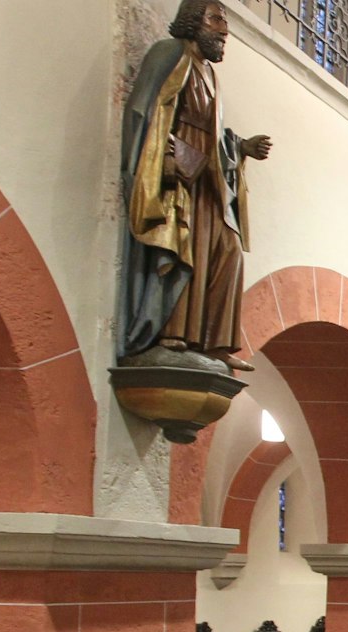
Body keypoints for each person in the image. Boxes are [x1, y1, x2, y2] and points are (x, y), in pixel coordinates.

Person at [119, 0, 272, 368]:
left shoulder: (210, 75)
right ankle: (171, 335)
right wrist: (159, 155)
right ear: (192, 21)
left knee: (228, 249)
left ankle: (214, 343)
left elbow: (214, 136)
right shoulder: (170, 54)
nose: (224, 31)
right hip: (180, 182)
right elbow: (144, 111)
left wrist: (241, 147)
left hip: (209, 179)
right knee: (188, 251)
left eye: (225, 22)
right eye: (217, 20)